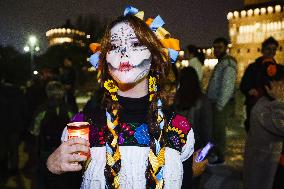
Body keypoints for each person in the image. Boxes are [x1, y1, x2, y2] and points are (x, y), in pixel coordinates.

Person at [46, 7, 195, 189]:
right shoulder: (82, 126)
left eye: (135, 43)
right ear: (105, 61)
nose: (123, 52)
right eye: (114, 46)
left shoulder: (179, 129)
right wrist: (50, 168)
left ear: (155, 58)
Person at [30, 81, 78, 189]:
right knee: (65, 180)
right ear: (62, 93)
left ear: (47, 92)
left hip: (46, 149)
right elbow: (75, 128)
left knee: (45, 178)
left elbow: (35, 130)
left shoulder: (42, 109)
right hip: (65, 149)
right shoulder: (69, 109)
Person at [243, 62, 284, 189]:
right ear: (270, 87)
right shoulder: (265, 109)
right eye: (282, 84)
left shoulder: (266, 105)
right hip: (266, 170)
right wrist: (280, 101)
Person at [175, 67, 212, 188]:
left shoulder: (175, 99)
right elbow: (207, 131)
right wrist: (206, 151)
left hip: (177, 148)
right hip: (197, 149)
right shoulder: (203, 101)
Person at [206, 37, 237, 165]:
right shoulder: (222, 62)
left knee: (219, 131)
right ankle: (214, 153)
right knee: (214, 130)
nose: (217, 50)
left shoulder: (228, 63)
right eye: (215, 47)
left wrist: (220, 106)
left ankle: (220, 157)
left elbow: (227, 86)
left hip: (221, 104)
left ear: (226, 48)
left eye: (220, 47)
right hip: (216, 103)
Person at [240, 37, 279, 132]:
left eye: (274, 49)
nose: (271, 52)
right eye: (268, 49)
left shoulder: (279, 69)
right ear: (262, 50)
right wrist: (250, 90)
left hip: (272, 108)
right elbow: (243, 84)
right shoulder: (253, 67)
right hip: (255, 105)